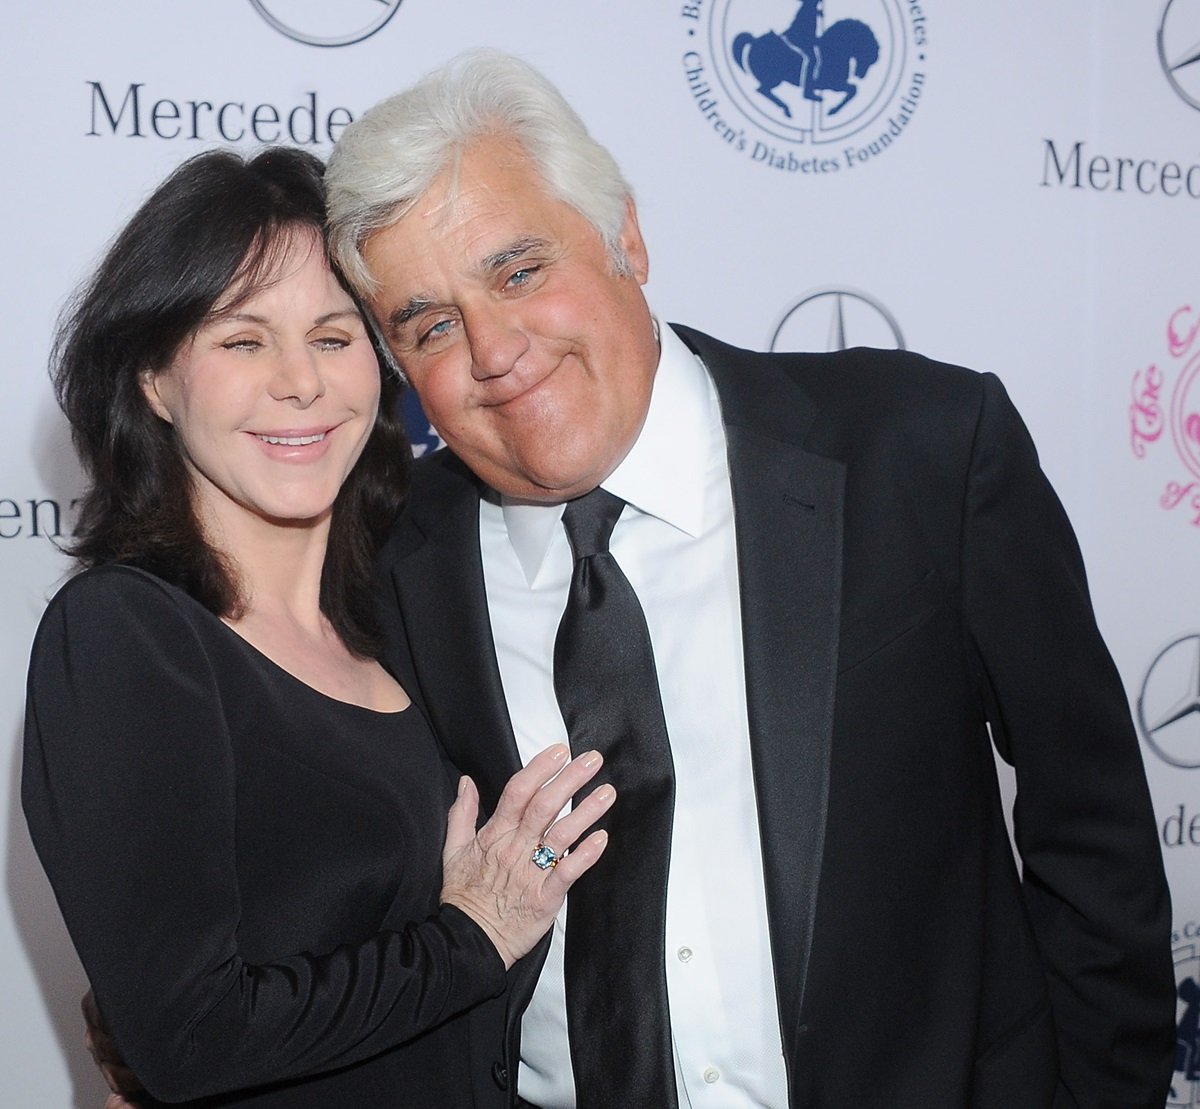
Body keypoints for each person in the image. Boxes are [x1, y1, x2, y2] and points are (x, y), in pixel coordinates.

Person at [316, 49, 1177, 1108]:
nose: (493, 348)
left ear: (624, 233)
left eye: (519, 269)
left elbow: (1092, 834)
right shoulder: (384, 563)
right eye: (431, 325)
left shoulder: (922, 452)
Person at [24, 146, 614, 1108]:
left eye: (335, 339)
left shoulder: (409, 616)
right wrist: (474, 930)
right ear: (155, 382)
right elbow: (190, 1035)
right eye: (243, 340)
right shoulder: (127, 638)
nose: (301, 383)